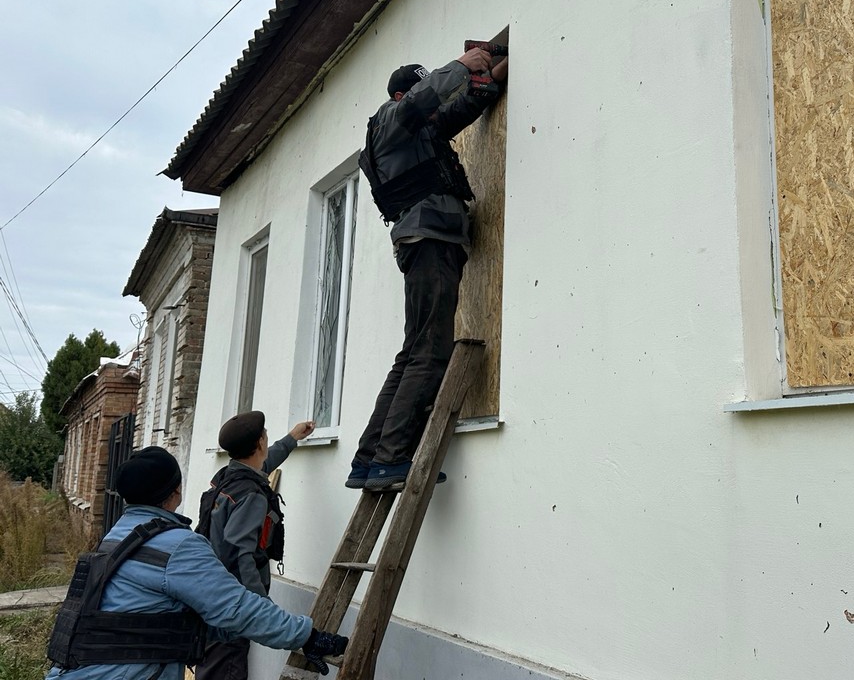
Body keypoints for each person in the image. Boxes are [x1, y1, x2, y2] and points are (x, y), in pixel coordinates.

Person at [349, 45, 508, 491]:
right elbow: (425, 101)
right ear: (402, 95)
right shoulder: (389, 120)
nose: (425, 100)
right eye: (417, 91)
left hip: (428, 240)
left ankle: (369, 458)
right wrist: (462, 66)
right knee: (430, 351)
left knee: (414, 351)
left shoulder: (417, 134)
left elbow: (456, 110)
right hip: (429, 239)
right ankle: (392, 459)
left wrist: (488, 78)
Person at [45, 446, 346, 680]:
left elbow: (154, 619)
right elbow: (236, 608)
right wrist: (307, 636)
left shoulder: (118, 536)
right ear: (175, 491)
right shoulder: (178, 546)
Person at [194, 411, 316, 680]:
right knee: (225, 669)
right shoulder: (251, 495)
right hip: (233, 605)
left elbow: (264, 464)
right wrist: (261, 610)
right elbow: (240, 557)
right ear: (260, 442)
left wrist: (293, 437)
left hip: (211, 594)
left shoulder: (229, 476)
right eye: (265, 435)